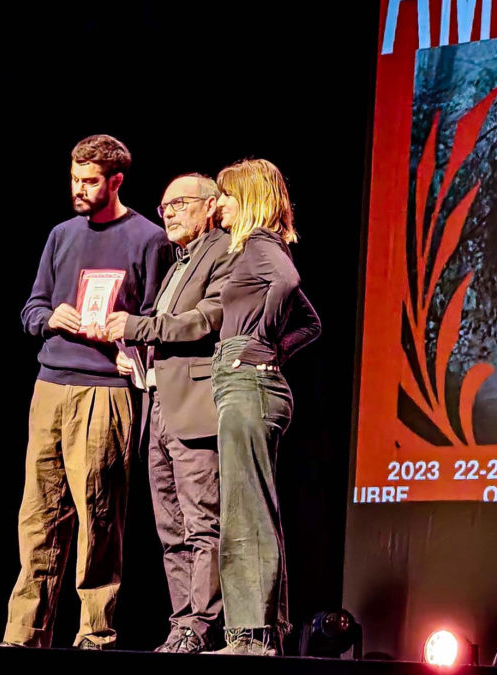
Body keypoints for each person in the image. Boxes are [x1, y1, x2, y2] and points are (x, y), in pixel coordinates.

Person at [2, 134, 173, 650]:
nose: (79, 188)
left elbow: (161, 321)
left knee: (98, 516)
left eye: (90, 181)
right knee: (37, 515)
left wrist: (134, 349)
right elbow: (31, 308)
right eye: (75, 178)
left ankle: (94, 637)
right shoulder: (61, 234)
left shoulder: (149, 238)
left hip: (105, 390)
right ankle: (22, 636)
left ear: (116, 180)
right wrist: (48, 317)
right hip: (51, 384)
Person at [104, 173, 237, 653]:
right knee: (170, 529)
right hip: (159, 404)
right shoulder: (179, 262)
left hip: (196, 408)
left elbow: (207, 320)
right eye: (164, 208)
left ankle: (202, 625)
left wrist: (140, 327)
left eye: (180, 203)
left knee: (203, 523)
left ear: (209, 206)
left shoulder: (224, 251)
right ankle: (182, 623)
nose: (170, 213)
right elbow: (170, 335)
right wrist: (140, 361)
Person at [210, 158, 321, 656]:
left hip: (247, 385)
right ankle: (263, 634)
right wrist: (276, 344)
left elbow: (289, 283)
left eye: (227, 196)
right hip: (255, 383)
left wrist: (256, 337)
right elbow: (312, 324)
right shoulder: (261, 247)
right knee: (254, 510)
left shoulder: (259, 245)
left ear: (249, 199)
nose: (220, 205)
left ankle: (250, 638)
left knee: (244, 511)